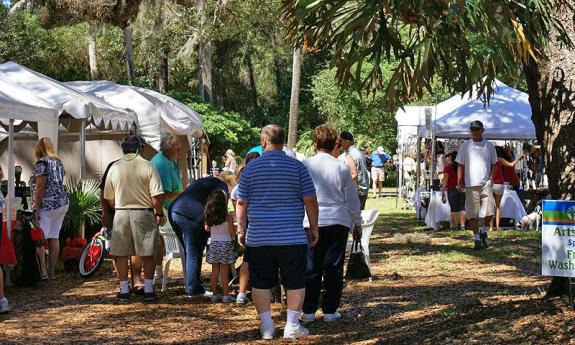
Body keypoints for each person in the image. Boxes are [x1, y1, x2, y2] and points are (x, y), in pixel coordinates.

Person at [236, 124, 319, 340]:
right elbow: (310, 199)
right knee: (295, 281)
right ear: (283, 142)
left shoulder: (250, 169)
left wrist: (240, 228)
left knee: (261, 282)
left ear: (264, 142)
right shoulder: (298, 167)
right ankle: (292, 325)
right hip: (291, 236)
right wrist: (314, 227)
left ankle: (266, 326)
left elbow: (242, 202)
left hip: (259, 236)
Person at [301, 124, 362, 323]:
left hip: (311, 220)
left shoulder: (306, 165)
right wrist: (357, 222)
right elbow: (351, 198)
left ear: (315, 142)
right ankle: (329, 310)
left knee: (312, 266)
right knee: (334, 266)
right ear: (334, 143)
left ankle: (308, 310)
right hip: (337, 219)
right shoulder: (341, 167)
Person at [104, 135, 165, 302]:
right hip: (144, 213)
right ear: (140, 149)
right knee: (147, 252)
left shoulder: (114, 167)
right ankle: (149, 289)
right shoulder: (148, 166)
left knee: (121, 253)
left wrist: (118, 206)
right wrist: (159, 213)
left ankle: (124, 290)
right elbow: (157, 196)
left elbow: (108, 196)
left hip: (121, 213)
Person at [168, 176, 229, 297]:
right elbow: (217, 208)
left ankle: (194, 284)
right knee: (193, 252)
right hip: (190, 215)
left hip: (174, 210)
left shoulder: (204, 182)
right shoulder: (222, 188)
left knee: (190, 251)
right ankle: (194, 289)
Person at [30, 137, 69, 280]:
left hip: (47, 204)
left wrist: (35, 206)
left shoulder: (41, 162)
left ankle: (42, 271)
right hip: (62, 202)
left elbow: (40, 186)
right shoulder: (58, 162)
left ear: (38, 148)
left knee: (40, 238)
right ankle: (52, 271)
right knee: (54, 237)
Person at [455, 121, 497, 250]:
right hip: (471, 184)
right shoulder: (465, 146)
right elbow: (460, 165)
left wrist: (492, 178)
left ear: (482, 130)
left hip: (486, 184)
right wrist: (459, 181)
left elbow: (495, 163)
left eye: (476, 129)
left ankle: (484, 230)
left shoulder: (489, 146)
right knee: (472, 214)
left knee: (491, 210)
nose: (474, 131)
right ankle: (477, 239)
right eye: (472, 129)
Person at [150, 133, 183, 281]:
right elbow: (163, 194)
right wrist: (183, 194)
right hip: (162, 209)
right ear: (169, 149)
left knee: (161, 240)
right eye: (177, 149)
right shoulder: (162, 164)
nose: (180, 151)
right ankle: (157, 272)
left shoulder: (170, 160)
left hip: (169, 208)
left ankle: (158, 272)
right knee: (160, 240)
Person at [230, 151, 260, 305]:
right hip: (258, 223)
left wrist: (240, 228)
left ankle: (242, 293)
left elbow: (238, 206)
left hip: (249, 224)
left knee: (248, 258)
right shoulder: (261, 179)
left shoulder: (244, 181)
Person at [204, 190, 236, 303]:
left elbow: (206, 229)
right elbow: (232, 232)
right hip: (225, 244)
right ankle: (226, 295)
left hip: (214, 244)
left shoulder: (209, 216)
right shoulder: (227, 217)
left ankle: (214, 295)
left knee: (214, 271)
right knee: (224, 271)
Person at [491, 146, 523, 231]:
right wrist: (518, 159)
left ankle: (490, 227)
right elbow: (511, 164)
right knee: (498, 206)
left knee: (490, 206)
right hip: (499, 183)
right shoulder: (500, 160)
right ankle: (497, 226)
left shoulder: (489, 159)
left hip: (491, 183)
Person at [339, 131, 369, 210]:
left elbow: (353, 175)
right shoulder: (357, 152)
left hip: (357, 190)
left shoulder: (350, 154)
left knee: (353, 217)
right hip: (363, 188)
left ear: (347, 142)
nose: (339, 144)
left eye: (340, 141)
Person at [441, 152, 466, 230]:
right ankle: (462, 225)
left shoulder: (448, 168)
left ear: (451, 158)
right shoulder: (462, 167)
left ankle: (455, 225)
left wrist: (442, 191)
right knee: (462, 207)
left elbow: (445, 181)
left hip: (452, 189)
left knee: (453, 208)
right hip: (461, 188)